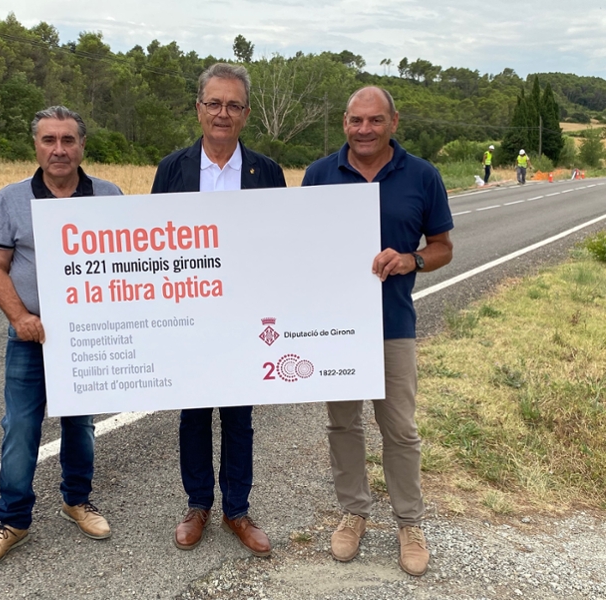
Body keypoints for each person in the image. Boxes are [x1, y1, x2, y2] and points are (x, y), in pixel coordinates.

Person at [301, 86, 453, 577]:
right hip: (334, 327)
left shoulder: (422, 175)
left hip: (392, 325)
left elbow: (444, 246)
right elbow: (297, 244)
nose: (364, 129)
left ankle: (409, 522)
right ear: (344, 122)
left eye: (374, 120)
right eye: (355, 120)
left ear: (393, 122)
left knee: (400, 430)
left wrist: (412, 259)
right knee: (342, 424)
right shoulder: (319, 175)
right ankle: (354, 512)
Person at [0, 105, 123, 568]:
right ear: (36, 145)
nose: (59, 149)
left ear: (82, 146)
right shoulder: (12, 199)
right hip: (31, 334)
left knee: (81, 423)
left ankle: (78, 501)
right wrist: (20, 317)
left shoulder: (108, 195)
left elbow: (130, 265)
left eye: (68, 140)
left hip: (86, 335)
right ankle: (13, 520)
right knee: (20, 427)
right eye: (49, 140)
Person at [151, 63, 286, 558]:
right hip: (191, 315)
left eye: (233, 105)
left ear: (246, 113)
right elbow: (154, 245)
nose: (222, 113)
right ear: (199, 109)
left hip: (245, 317)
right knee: (193, 414)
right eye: (214, 103)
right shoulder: (173, 168)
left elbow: (280, 243)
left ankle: (238, 510)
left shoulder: (267, 171)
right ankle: (196, 505)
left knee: (239, 416)